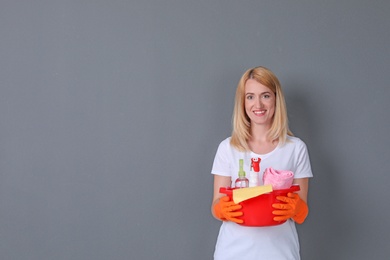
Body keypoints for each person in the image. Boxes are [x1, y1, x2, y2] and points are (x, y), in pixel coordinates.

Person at [210, 66, 313, 260]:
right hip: (233, 252)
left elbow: (302, 212)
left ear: (276, 99)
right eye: (250, 96)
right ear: (242, 102)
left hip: (280, 253)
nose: (258, 104)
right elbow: (216, 204)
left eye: (265, 95)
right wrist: (221, 209)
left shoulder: (295, 148)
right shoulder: (228, 148)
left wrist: (297, 208)